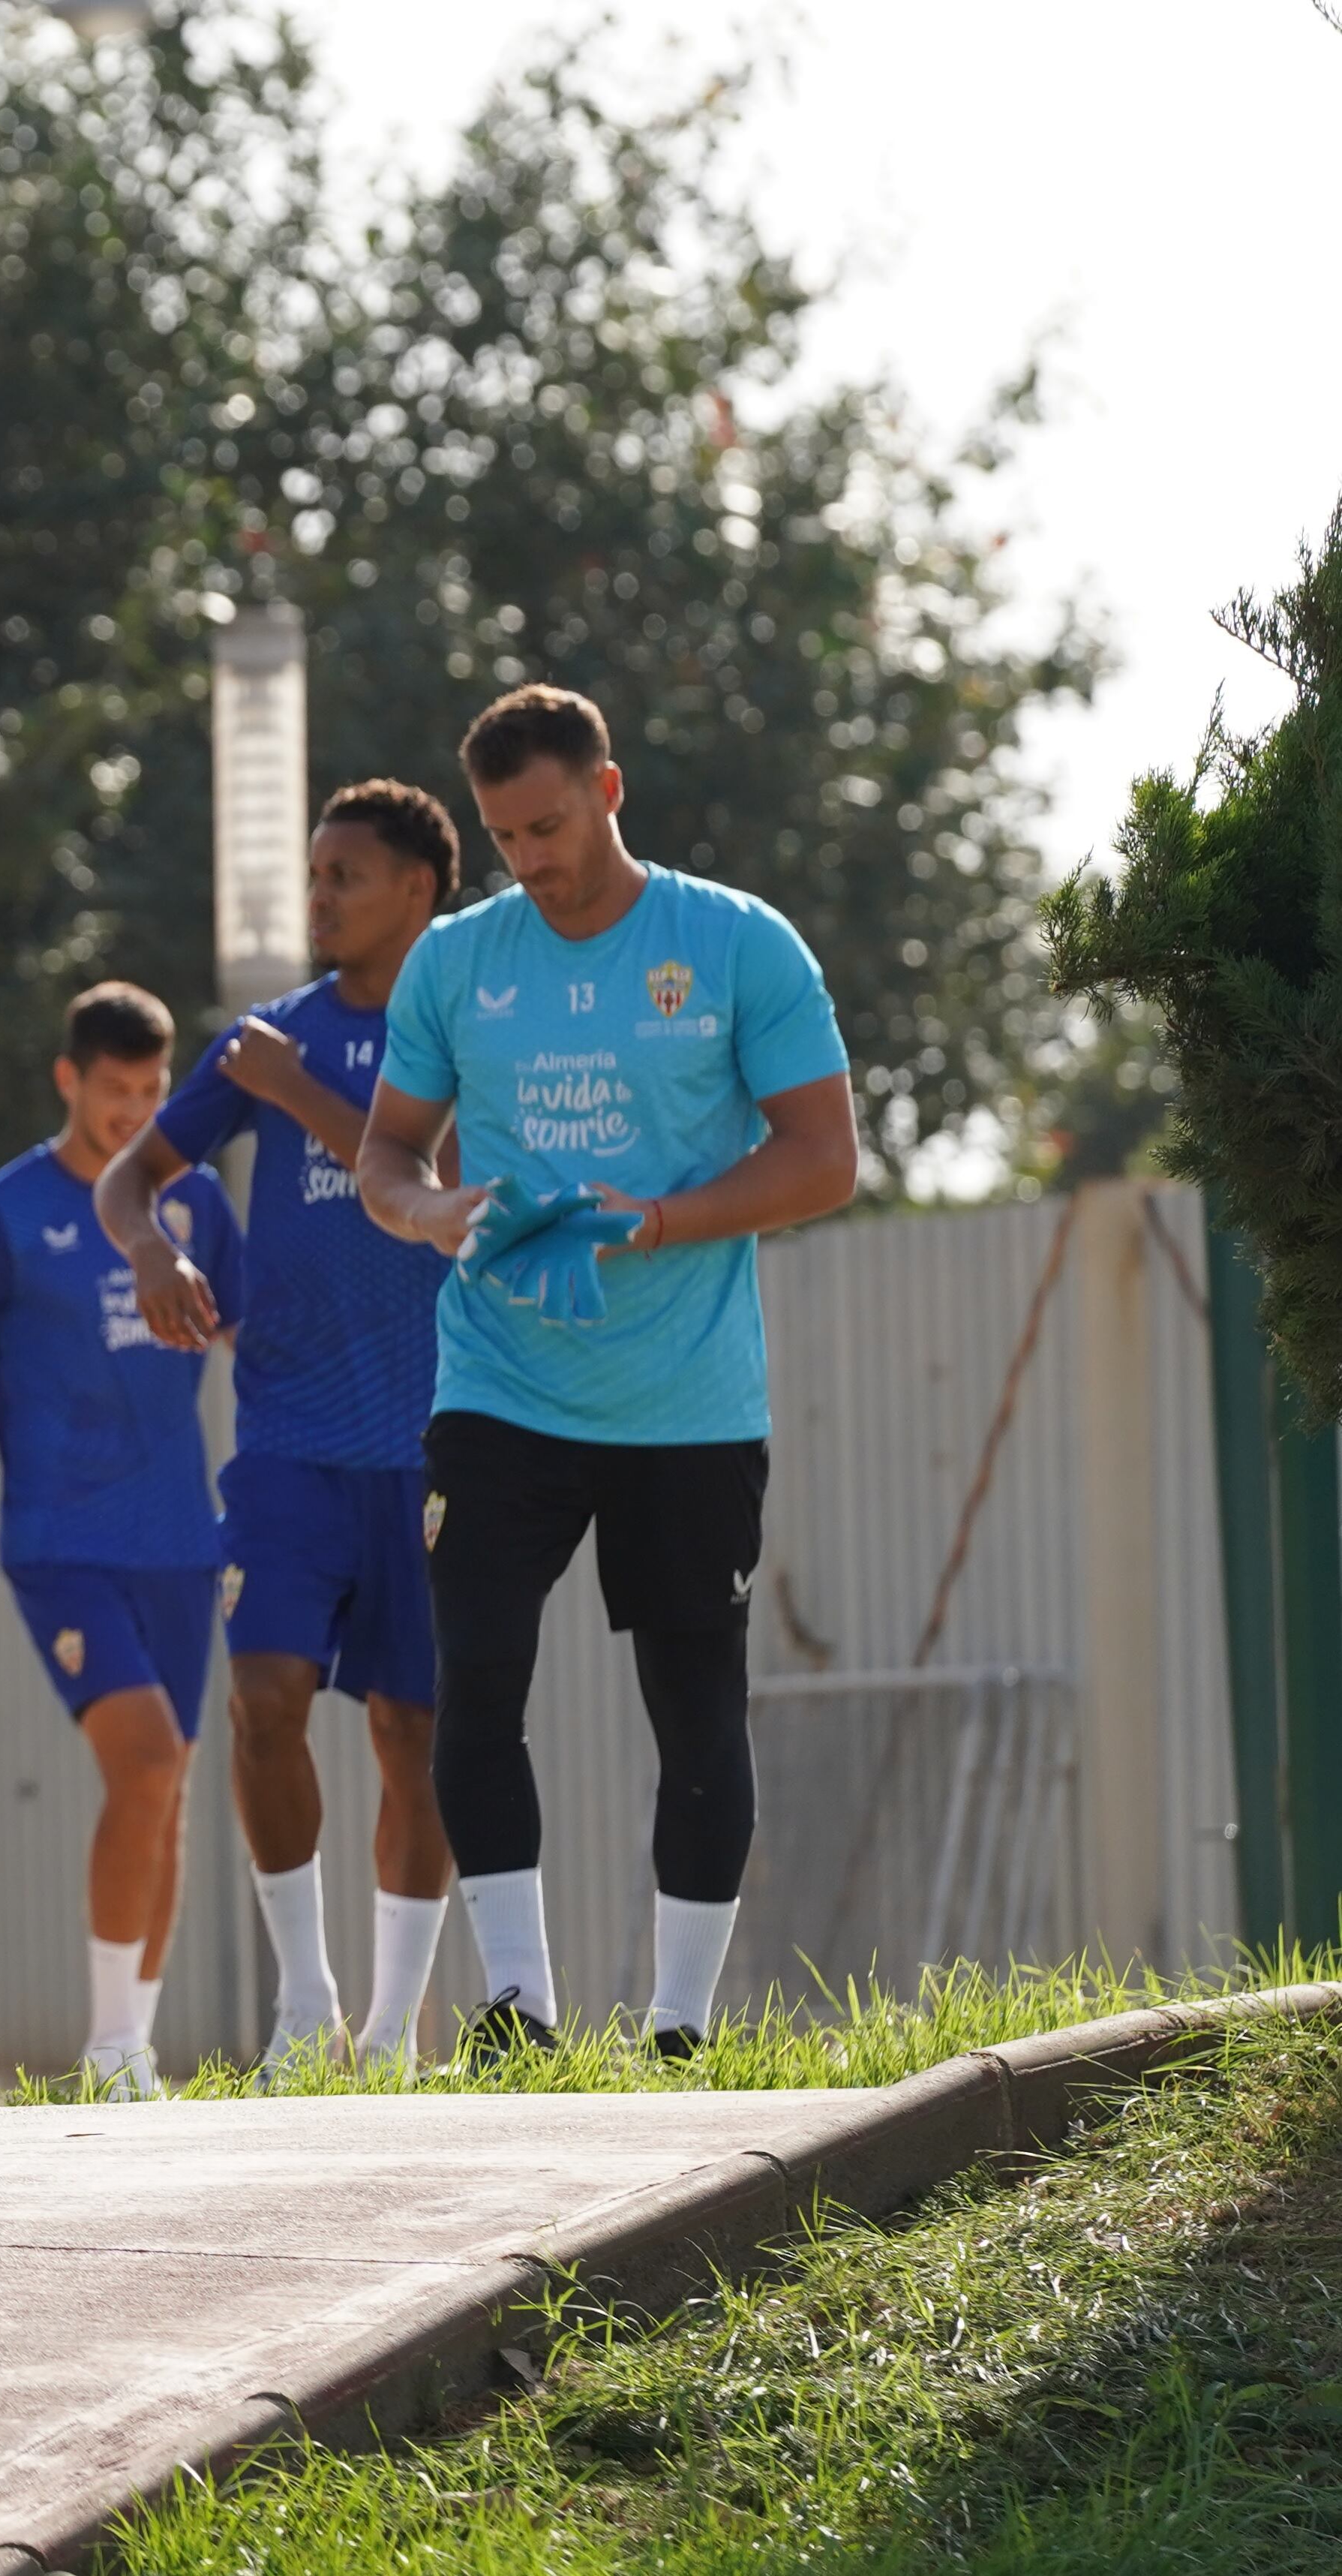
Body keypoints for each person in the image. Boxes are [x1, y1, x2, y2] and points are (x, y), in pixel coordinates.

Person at [354, 684, 855, 2064]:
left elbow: (824, 1157)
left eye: (552, 823)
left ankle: (680, 2023)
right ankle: (517, 2003)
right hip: (500, 1383)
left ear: (609, 791)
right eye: (507, 835)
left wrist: (661, 1216)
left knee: (695, 1703)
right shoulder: (457, 964)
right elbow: (385, 1154)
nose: (533, 858)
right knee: (477, 1675)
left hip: (688, 1400)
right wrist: (426, 1211)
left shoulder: (737, 942)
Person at [94, 782, 463, 2076]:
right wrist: (148, 1250)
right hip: (288, 1441)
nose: (315, 899)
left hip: (433, 1442)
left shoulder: (461, 1020)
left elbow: (444, 1176)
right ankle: (305, 2007)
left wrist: (300, 1095)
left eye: (342, 877)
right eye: (309, 874)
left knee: (414, 1731)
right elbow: (127, 1172)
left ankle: (392, 2029)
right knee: (263, 1700)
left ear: (416, 888)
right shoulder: (268, 1036)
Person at [0, 984, 243, 2100]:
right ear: (68, 1079)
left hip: (181, 1539)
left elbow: (258, 1339)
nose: (132, 1112)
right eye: (113, 1092)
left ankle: (130, 2052)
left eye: (152, 1092)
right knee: (142, 1757)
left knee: (169, 1782)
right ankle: (103, 2051)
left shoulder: (192, 1205)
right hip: (57, 1540)